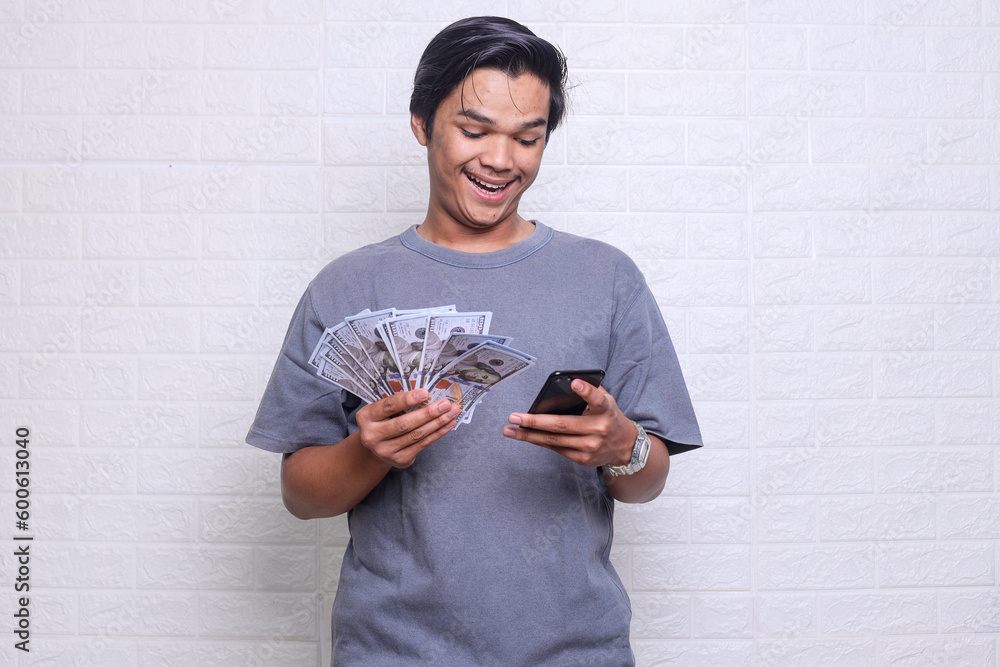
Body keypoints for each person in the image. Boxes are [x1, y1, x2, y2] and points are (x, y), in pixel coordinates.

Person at [246, 16, 702, 666]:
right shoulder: (346, 287)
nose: (500, 159)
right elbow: (301, 495)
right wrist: (369, 450)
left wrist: (623, 446)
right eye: (474, 129)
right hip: (395, 651)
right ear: (421, 123)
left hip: (576, 650)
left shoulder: (607, 278)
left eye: (527, 138)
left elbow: (646, 481)